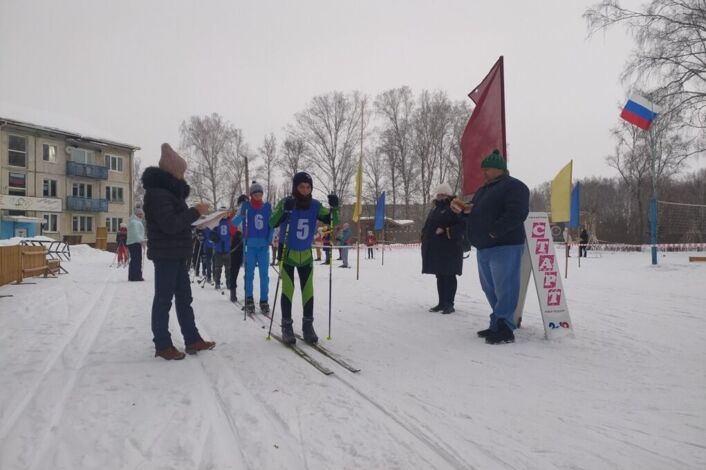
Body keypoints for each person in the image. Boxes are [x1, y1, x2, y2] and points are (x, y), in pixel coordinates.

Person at [142, 143, 215, 360]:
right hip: (166, 255)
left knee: (184, 297)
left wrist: (200, 220)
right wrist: (195, 212)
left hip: (177, 253)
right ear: (172, 171)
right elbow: (171, 225)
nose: (183, 176)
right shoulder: (157, 194)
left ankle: (192, 339)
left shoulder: (170, 194)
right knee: (164, 299)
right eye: (181, 172)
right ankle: (162, 344)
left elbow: (177, 223)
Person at [456, 149, 529, 345]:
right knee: (490, 288)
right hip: (484, 246)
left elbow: (517, 213)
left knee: (505, 287)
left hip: (505, 245)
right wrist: (463, 211)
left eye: (487, 169)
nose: (484, 173)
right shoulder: (483, 191)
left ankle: (505, 327)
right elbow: (477, 213)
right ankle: (497, 322)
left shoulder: (515, 187)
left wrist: (495, 231)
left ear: (499, 169)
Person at [269, 171, 339, 345]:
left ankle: (308, 326)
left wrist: (335, 208)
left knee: (308, 290)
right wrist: (284, 212)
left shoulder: (315, 205)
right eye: (302, 187)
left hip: (306, 255)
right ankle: (287, 326)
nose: (305, 190)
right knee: (288, 289)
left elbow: (332, 221)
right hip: (287, 254)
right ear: (295, 187)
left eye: (308, 187)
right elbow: (272, 222)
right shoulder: (286, 202)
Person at [421, 183, 465, 314]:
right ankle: (441, 303)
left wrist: (447, 231)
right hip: (436, 249)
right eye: (439, 194)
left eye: (443, 194)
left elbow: (462, 225)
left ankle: (449, 304)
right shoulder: (435, 209)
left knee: (449, 275)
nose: (440, 197)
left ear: (448, 195)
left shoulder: (455, 206)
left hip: (450, 249)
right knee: (440, 276)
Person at [232, 182, 273, 315]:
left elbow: (272, 225)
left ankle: (263, 300)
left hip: (263, 246)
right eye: (255, 194)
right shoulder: (246, 206)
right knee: (249, 274)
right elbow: (235, 223)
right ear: (251, 195)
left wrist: (269, 239)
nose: (258, 196)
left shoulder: (267, 207)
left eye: (260, 193)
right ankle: (249, 298)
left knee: (264, 275)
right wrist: (241, 213)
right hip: (250, 246)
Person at [229, 194, 248, 302]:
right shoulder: (234, 214)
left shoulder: (250, 212)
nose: (244, 204)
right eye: (242, 202)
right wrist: (237, 233)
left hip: (248, 242)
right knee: (234, 268)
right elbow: (231, 227)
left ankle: (248, 292)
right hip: (237, 242)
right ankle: (233, 290)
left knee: (248, 269)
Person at [212, 210, 233, 291]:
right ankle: (217, 283)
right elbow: (211, 234)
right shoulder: (216, 223)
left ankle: (228, 283)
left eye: (225, 213)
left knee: (228, 268)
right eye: (222, 213)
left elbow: (233, 233)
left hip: (227, 248)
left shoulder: (230, 222)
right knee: (218, 268)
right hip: (218, 248)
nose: (224, 214)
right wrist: (213, 236)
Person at [127, 208, 146, 281]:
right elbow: (135, 233)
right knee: (137, 260)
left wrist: (141, 240)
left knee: (134, 260)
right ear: (136, 214)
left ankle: (132, 276)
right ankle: (136, 277)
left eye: (142, 214)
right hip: (134, 243)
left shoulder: (134, 221)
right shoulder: (135, 222)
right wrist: (141, 241)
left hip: (133, 242)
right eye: (140, 214)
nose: (141, 215)